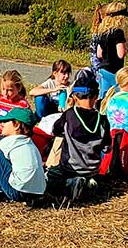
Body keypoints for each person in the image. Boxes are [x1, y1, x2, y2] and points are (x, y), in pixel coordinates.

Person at [45, 69, 110, 203]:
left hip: (70, 167)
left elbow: (56, 130)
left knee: (50, 175)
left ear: (74, 97)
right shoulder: (103, 120)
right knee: (89, 175)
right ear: (96, 96)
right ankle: (89, 181)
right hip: (92, 169)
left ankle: (71, 182)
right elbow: (106, 148)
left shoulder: (70, 115)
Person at [0, 107, 46, 205]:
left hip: (17, 192)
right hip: (38, 192)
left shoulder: (8, 141)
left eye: (5, 121)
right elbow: (3, 150)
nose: (1, 124)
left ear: (16, 125)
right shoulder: (30, 144)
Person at [89, 1, 128, 98]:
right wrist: (126, 48)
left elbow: (99, 53)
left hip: (103, 69)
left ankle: (102, 111)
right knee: (117, 95)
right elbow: (121, 54)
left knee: (104, 95)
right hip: (115, 70)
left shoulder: (103, 32)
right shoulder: (118, 33)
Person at [0, 70, 30, 141]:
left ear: (18, 88)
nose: (5, 93)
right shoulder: (0, 101)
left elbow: (24, 128)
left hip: (13, 138)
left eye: (10, 90)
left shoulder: (22, 105)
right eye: (3, 89)